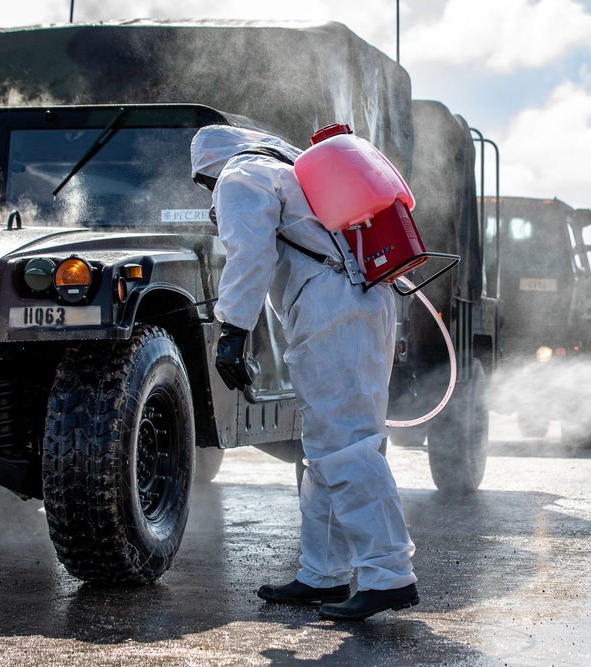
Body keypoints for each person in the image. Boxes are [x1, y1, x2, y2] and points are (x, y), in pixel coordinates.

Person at [190, 124, 419, 620]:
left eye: (204, 185)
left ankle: (388, 575)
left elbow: (249, 251)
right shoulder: (291, 172)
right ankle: (323, 574)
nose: (211, 195)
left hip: (331, 308)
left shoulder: (240, 174)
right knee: (329, 446)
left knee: (345, 445)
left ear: (209, 168)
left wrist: (232, 331)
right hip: (364, 302)